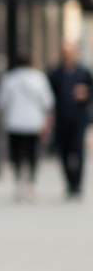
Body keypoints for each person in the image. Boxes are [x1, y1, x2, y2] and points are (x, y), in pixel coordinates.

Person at [0, 52, 54, 201]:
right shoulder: (39, 78)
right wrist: (46, 121)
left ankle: (18, 181)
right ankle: (32, 182)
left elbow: (1, 103)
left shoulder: (9, 79)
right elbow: (47, 102)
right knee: (33, 153)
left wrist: (3, 120)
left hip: (14, 122)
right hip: (34, 122)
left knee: (16, 154)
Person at [47, 41, 93, 199]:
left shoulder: (83, 72)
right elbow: (49, 96)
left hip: (79, 118)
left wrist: (85, 94)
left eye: (70, 51)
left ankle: (77, 185)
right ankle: (69, 183)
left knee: (78, 151)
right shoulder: (55, 73)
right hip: (61, 118)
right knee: (64, 152)